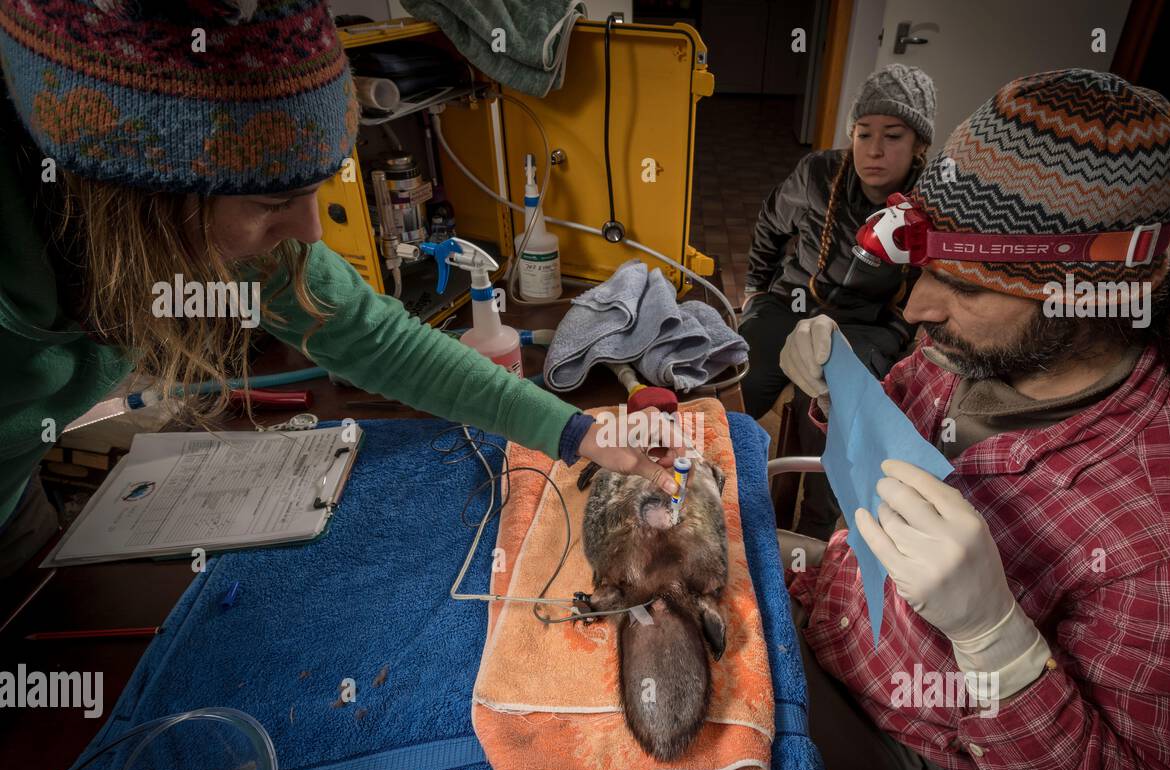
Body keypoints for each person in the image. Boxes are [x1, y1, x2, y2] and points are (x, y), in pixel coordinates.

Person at [779, 69, 1170, 770]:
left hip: (916, 746)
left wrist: (998, 647)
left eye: (965, 281)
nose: (916, 307)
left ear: (1095, 295)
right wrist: (838, 392)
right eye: (923, 265)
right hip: (840, 614)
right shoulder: (981, 345)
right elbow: (899, 416)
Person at [0, 0, 678, 577]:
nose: (312, 231)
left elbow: (384, 343)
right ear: (137, 204)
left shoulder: (215, 227)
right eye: (275, 203)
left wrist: (576, 432)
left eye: (315, 189)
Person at [741, 63, 935, 538]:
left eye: (892, 136)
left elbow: (930, 287)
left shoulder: (931, 201)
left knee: (837, 410)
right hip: (792, 303)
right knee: (740, 377)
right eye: (863, 133)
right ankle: (721, 486)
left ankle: (815, 533)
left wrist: (900, 338)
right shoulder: (817, 173)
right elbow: (770, 225)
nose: (874, 149)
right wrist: (753, 290)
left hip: (868, 324)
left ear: (918, 146)